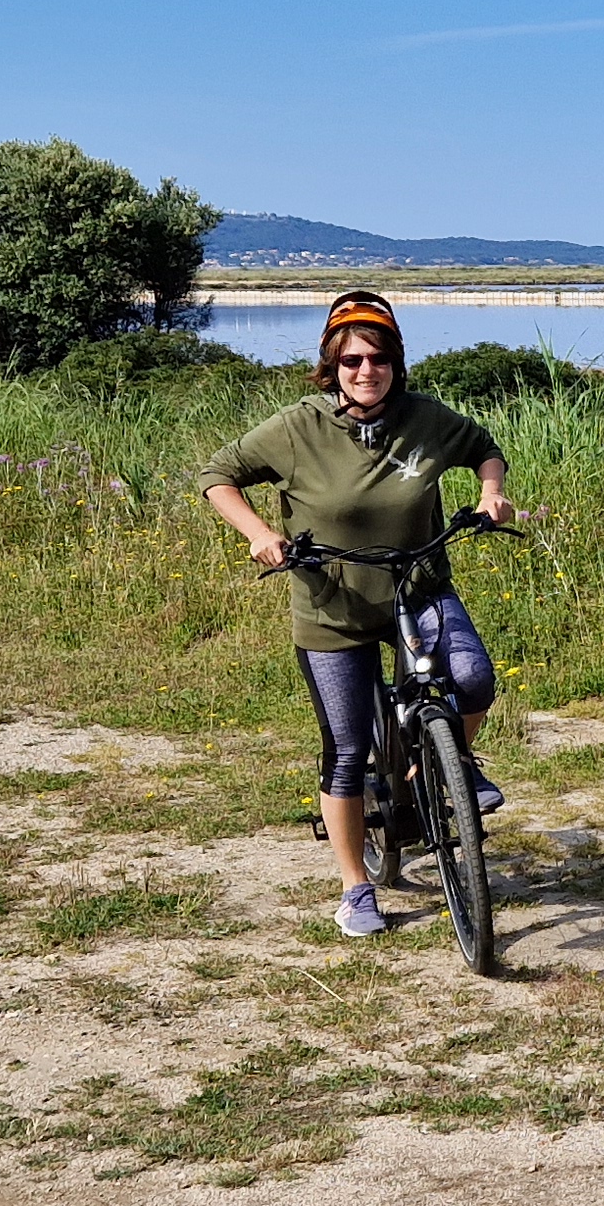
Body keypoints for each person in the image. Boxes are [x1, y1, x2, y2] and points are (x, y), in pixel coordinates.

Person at [199, 292, 513, 938]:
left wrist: (491, 494)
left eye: (378, 360)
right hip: (331, 602)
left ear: (396, 364)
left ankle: (440, 769)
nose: (365, 371)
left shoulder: (425, 420)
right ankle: (356, 888)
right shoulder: (296, 428)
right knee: (344, 751)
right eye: (351, 362)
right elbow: (218, 475)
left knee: (472, 679)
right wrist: (258, 532)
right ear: (331, 368)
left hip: (416, 584)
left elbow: (484, 447)